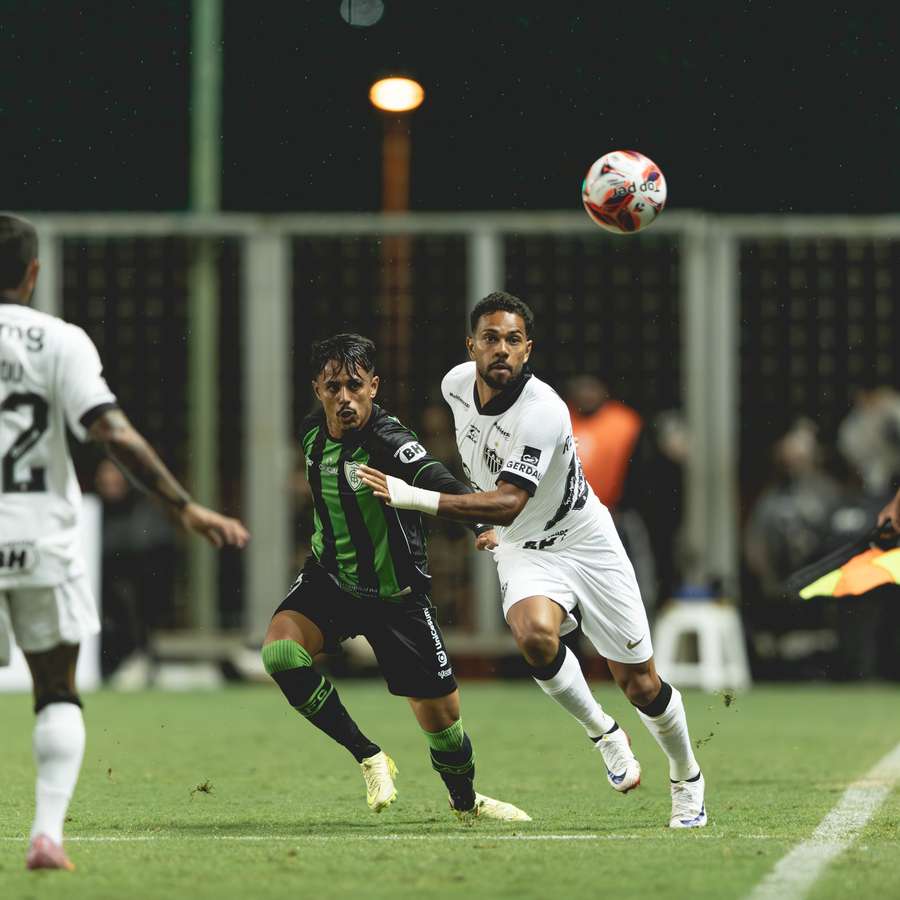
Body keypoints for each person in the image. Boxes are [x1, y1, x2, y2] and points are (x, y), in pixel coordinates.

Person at [359, 291, 707, 829]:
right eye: (491, 338)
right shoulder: (455, 386)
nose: (502, 349)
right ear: (471, 344)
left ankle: (686, 777)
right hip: (522, 546)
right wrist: (478, 521)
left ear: (528, 350)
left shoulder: (544, 410)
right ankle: (604, 733)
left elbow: (508, 498)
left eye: (513, 340)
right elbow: (487, 490)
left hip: (584, 539)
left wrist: (416, 498)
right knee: (533, 635)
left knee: (641, 684)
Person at [0, 213, 250, 872]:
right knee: (56, 688)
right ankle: (47, 834)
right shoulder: (60, 341)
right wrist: (185, 506)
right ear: (33, 272)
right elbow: (112, 432)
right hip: (40, 540)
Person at [261, 333, 528, 823]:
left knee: (444, 723)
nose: (345, 397)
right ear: (317, 390)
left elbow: (432, 474)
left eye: (355, 386)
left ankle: (466, 802)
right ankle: (369, 755)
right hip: (331, 580)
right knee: (279, 652)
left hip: (397, 595)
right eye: (333, 387)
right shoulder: (310, 433)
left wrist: (479, 522)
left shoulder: (388, 440)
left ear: (373, 386)